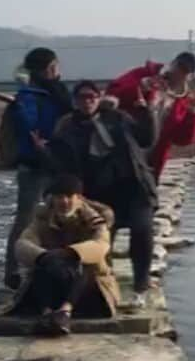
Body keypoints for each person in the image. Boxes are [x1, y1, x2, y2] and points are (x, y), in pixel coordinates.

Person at [51, 80, 158, 309]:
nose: (87, 101)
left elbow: (146, 139)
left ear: (99, 98)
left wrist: (145, 110)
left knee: (142, 232)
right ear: (75, 101)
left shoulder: (117, 118)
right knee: (102, 240)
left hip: (134, 187)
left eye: (91, 96)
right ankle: (105, 287)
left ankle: (141, 285)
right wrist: (42, 151)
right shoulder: (68, 127)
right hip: (100, 193)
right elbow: (62, 164)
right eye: (81, 97)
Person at [3, 174, 120, 336]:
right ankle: (48, 313)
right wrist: (44, 256)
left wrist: (70, 253)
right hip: (54, 278)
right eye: (59, 197)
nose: (64, 202)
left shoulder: (95, 220)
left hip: (90, 290)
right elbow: (22, 244)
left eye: (69, 197)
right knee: (42, 264)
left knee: (83, 264)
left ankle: (65, 311)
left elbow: (101, 245)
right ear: (53, 199)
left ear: (79, 198)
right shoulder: (42, 218)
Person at [4, 47, 73, 290]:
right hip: (36, 167)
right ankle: (13, 273)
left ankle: (47, 270)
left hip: (51, 165)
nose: (58, 71)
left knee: (52, 218)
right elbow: (33, 127)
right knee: (27, 220)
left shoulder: (49, 93)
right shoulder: (32, 96)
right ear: (50, 68)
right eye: (56, 67)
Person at [103, 52, 195, 180]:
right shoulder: (144, 74)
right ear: (172, 64)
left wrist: (193, 114)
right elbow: (112, 94)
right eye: (178, 67)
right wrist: (141, 87)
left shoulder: (185, 101)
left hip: (152, 163)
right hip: (122, 151)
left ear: (190, 77)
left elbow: (183, 140)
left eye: (185, 71)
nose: (179, 73)